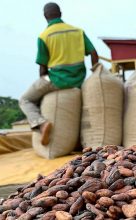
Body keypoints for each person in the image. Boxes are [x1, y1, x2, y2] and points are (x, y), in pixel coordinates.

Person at [19, 2, 98, 145]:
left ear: (45, 16)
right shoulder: (77, 31)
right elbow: (93, 53)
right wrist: (95, 74)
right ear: (60, 14)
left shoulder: (44, 36)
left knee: (25, 99)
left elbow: (43, 69)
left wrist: (43, 86)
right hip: (78, 79)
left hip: (55, 80)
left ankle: (41, 123)